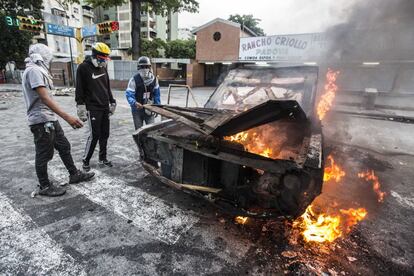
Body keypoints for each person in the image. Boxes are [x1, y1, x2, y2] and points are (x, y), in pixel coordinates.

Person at [22, 43, 95, 197]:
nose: (50, 60)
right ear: (42, 56)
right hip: (41, 121)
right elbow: (44, 97)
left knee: (63, 146)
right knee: (44, 154)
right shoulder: (33, 70)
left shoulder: (38, 70)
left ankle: (74, 174)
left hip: (49, 118)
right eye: (48, 56)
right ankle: (44, 186)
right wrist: (67, 117)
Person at [75, 42, 116, 172]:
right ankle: (86, 160)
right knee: (95, 135)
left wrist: (112, 101)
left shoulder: (103, 68)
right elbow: (79, 89)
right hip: (92, 108)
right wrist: (80, 106)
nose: (104, 61)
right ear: (95, 56)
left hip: (104, 107)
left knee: (105, 134)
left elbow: (107, 87)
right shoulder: (83, 68)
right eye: (103, 58)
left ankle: (102, 158)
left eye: (106, 59)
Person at [125, 56, 160, 130]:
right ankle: (140, 141)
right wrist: (134, 103)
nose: (144, 69)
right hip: (137, 109)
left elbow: (157, 95)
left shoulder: (154, 80)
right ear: (138, 68)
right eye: (142, 67)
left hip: (149, 108)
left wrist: (157, 107)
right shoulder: (134, 80)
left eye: (146, 66)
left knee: (151, 129)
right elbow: (129, 95)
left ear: (150, 67)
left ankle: (150, 141)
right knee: (139, 130)